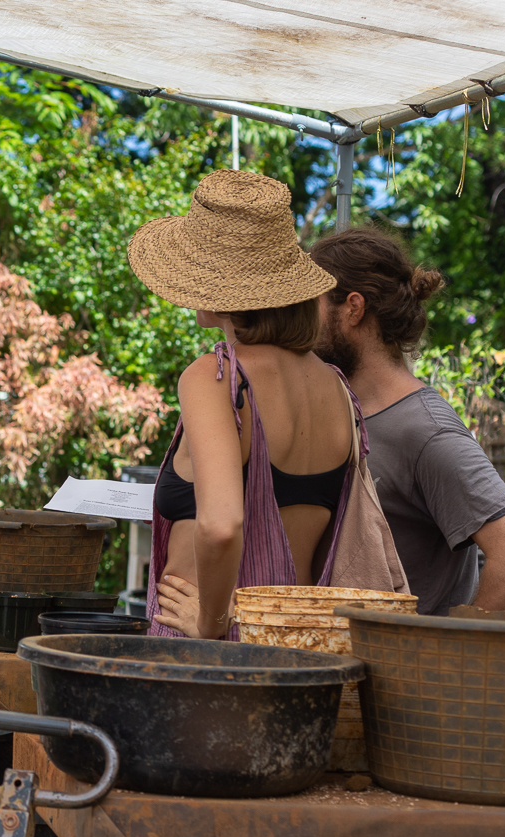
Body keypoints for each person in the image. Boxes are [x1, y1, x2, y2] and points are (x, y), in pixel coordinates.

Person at [127, 169, 360, 640]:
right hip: (289, 651)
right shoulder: (335, 387)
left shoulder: (215, 378)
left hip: (204, 660)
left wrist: (211, 625)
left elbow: (221, 524)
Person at [310, 227, 505, 616]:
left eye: (312, 306)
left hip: (402, 673)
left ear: (353, 307)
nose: (302, 325)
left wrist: (457, 656)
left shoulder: (425, 430)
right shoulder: (349, 413)